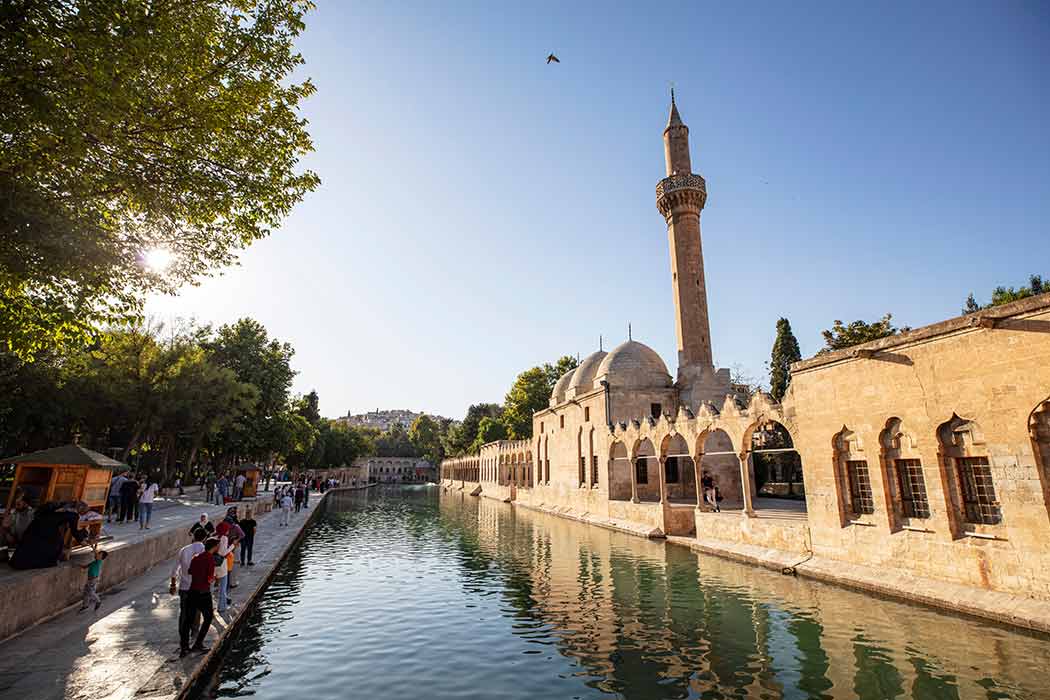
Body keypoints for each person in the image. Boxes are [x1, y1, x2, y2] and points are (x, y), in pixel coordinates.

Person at [9, 501, 91, 569]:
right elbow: (74, 531)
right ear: (80, 509)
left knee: (31, 542)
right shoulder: (73, 514)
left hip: (36, 523)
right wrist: (82, 541)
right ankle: (43, 562)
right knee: (55, 543)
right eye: (83, 512)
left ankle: (18, 562)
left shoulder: (64, 505)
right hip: (47, 526)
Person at [180, 537, 219, 657]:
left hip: (192, 591)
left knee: (188, 620)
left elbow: (190, 571)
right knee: (208, 618)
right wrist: (214, 579)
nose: (218, 548)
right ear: (213, 547)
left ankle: (184, 648)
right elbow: (209, 578)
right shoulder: (210, 559)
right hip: (204, 593)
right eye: (217, 546)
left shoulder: (195, 557)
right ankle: (198, 644)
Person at [170, 528, 208, 644]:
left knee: (184, 612)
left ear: (193, 537)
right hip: (198, 587)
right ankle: (194, 635)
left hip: (184, 586)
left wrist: (173, 584)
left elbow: (174, 570)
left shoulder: (184, 550)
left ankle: (183, 634)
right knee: (196, 612)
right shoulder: (204, 550)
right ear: (204, 538)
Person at [78, 544, 108, 612]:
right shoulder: (94, 562)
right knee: (86, 592)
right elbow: (85, 567)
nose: (97, 555)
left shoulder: (98, 562)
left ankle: (98, 601)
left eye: (99, 554)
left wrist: (92, 546)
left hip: (93, 580)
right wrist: (79, 566)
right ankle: (85, 605)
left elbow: (95, 553)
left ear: (101, 558)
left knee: (91, 592)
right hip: (90, 580)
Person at [213, 522, 233, 613]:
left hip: (214, 565)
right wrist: (232, 546)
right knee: (223, 588)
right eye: (227, 529)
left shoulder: (214, 537)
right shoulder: (224, 538)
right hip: (222, 565)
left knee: (212, 588)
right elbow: (223, 553)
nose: (229, 530)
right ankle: (221, 607)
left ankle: (212, 607)